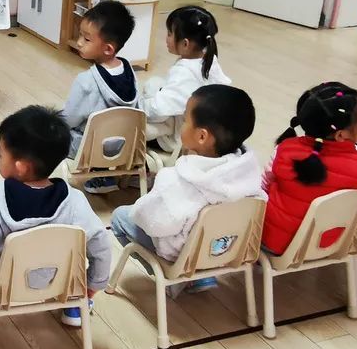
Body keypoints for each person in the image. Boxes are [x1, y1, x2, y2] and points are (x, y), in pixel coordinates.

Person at [0, 105, 112, 327]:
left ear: (21, 167)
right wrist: (94, 283)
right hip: (55, 281)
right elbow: (101, 243)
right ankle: (75, 305)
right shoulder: (75, 202)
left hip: (0, 284)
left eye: (0, 154)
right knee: (71, 267)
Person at [110, 85, 265, 292]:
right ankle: (203, 276)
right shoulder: (247, 171)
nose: (182, 125)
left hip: (183, 256)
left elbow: (151, 222)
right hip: (227, 250)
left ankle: (175, 280)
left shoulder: (176, 181)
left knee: (120, 217)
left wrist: (142, 207)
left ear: (202, 137)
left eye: (185, 120)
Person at [262, 82, 357, 256]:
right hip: (329, 244)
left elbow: (263, 186)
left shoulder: (285, 150)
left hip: (275, 242)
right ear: (341, 135)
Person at [61, 1, 139, 194]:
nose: (79, 42)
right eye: (80, 35)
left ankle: (96, 175)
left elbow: (69, 119)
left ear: (108, 49)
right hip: (125, 147)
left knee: (52, 129)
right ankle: (113, 175)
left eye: (87, 39)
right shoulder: (130, 72)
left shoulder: (86, 81)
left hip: (91, 149)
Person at [139, 6, 231, 153]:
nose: (166, 38)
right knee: (155, 83)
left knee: (134, 123)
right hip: (201, 130)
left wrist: (139, 107)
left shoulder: (184, 73)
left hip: (179, 140)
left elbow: (158, 110)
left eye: (170, 34)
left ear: (185, 44)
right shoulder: (209, 60)